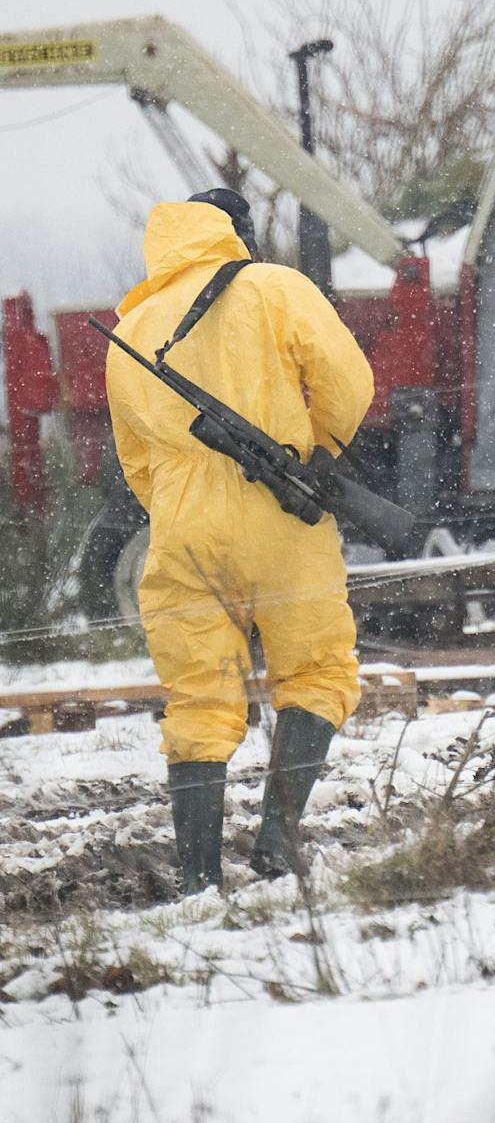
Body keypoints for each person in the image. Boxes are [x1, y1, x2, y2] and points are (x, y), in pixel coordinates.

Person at [105, 189, 376, 892]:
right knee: (316, 672)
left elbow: (136, 462)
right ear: (236, 233)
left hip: (181, 528)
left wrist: (183, 508)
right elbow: (347, 382)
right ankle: (278, 841)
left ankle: (199, 877)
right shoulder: (274, 287)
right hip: (280, 511)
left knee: (199, 698)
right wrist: (320, 455)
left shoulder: (132, 327)